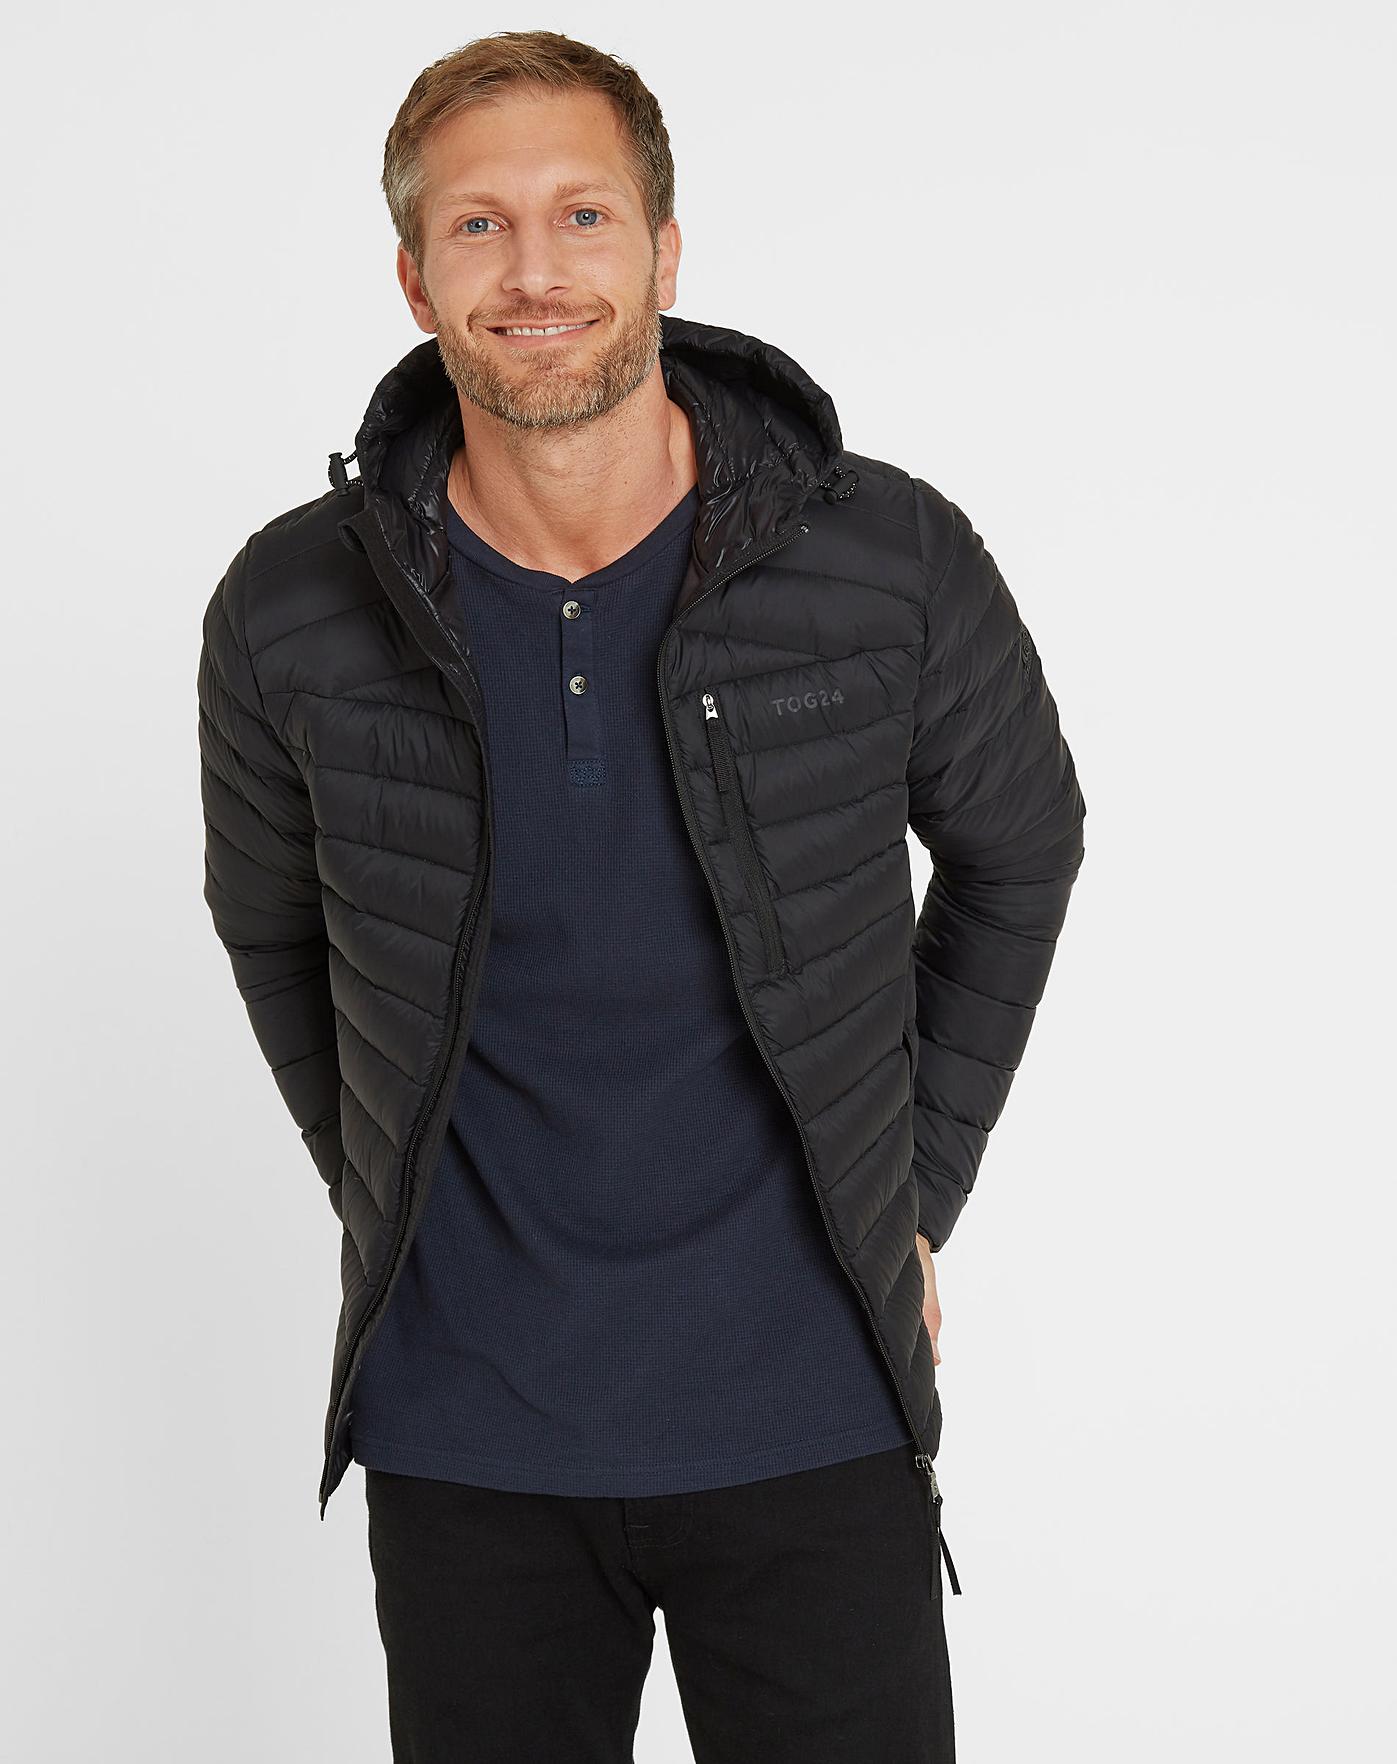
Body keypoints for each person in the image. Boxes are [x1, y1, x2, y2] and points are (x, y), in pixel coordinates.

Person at [196, 28, 1086, 1764]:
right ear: (413, 277)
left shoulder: (884, 554)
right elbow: (271, 925)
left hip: (813, 1412)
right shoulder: (287, 608)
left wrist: (910, 1192)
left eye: (583, 214)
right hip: (466, 1440)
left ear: (665, 251)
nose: (535, 271)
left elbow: (1019, 849)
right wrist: (385, 1179)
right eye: (478, 225)